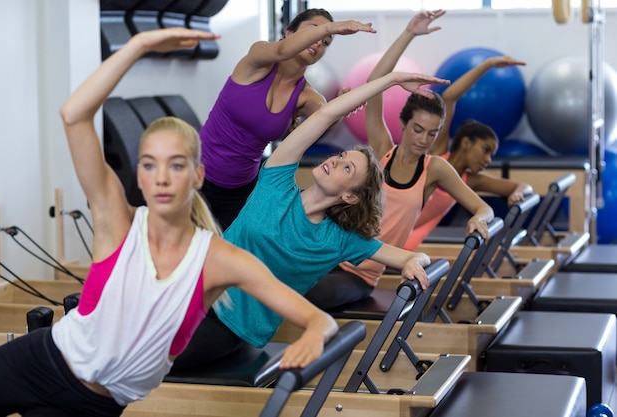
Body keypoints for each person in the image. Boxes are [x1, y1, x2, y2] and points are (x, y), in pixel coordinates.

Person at [0, 28, 340, 417]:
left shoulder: (218, 260)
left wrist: (315, 333)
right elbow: (73, 115)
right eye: (149, 165)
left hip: (95, 405)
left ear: (197, 176)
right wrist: (138, 46)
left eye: (176, 165)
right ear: (138, 177)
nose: (161, 177)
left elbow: (317, 319)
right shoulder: (117, 223)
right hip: (39, 360)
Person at [171, 69, 451, 371]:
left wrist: (411, 262)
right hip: (190, 290)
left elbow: (415, 257)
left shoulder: (339, 238)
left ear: (351, 197)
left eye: (347, 169)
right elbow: (323, 116)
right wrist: (391, 80)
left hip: (229, 326)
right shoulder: (276, 183)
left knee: (147, 356)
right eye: (341, 157)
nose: (335, 161)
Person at [305, 10, 495, 310]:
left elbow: (482, 207)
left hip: (359, 275)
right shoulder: (382, 149)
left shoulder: (435, 169)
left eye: (432, 134)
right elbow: (376, 81)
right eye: (418, 129)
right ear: (403, 124)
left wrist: (478, 218)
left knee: (307, 294)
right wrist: (409, 33)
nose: (423, 139)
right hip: (326, 252)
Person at [200, 8, 377, 230]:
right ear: (289, 31)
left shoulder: (306, 95)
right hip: (197, 173)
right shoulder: (258, 58)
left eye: (326, 41)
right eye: (314, 30)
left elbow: (326, 118)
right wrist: (332, 27)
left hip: (241, 188)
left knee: (225, 254)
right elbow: (282, 50)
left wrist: (342, 106)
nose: (320, 41)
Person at [403, 54, 533, 251]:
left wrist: (517, 194)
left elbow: (523, 186)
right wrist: (488, 64)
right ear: (465, 142)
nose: (487, 159)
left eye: (491, 155)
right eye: (485, 150)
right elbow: (449, 97)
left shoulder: (469, 180)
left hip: (406, 242)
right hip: (386, 228)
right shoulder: (437, 154)